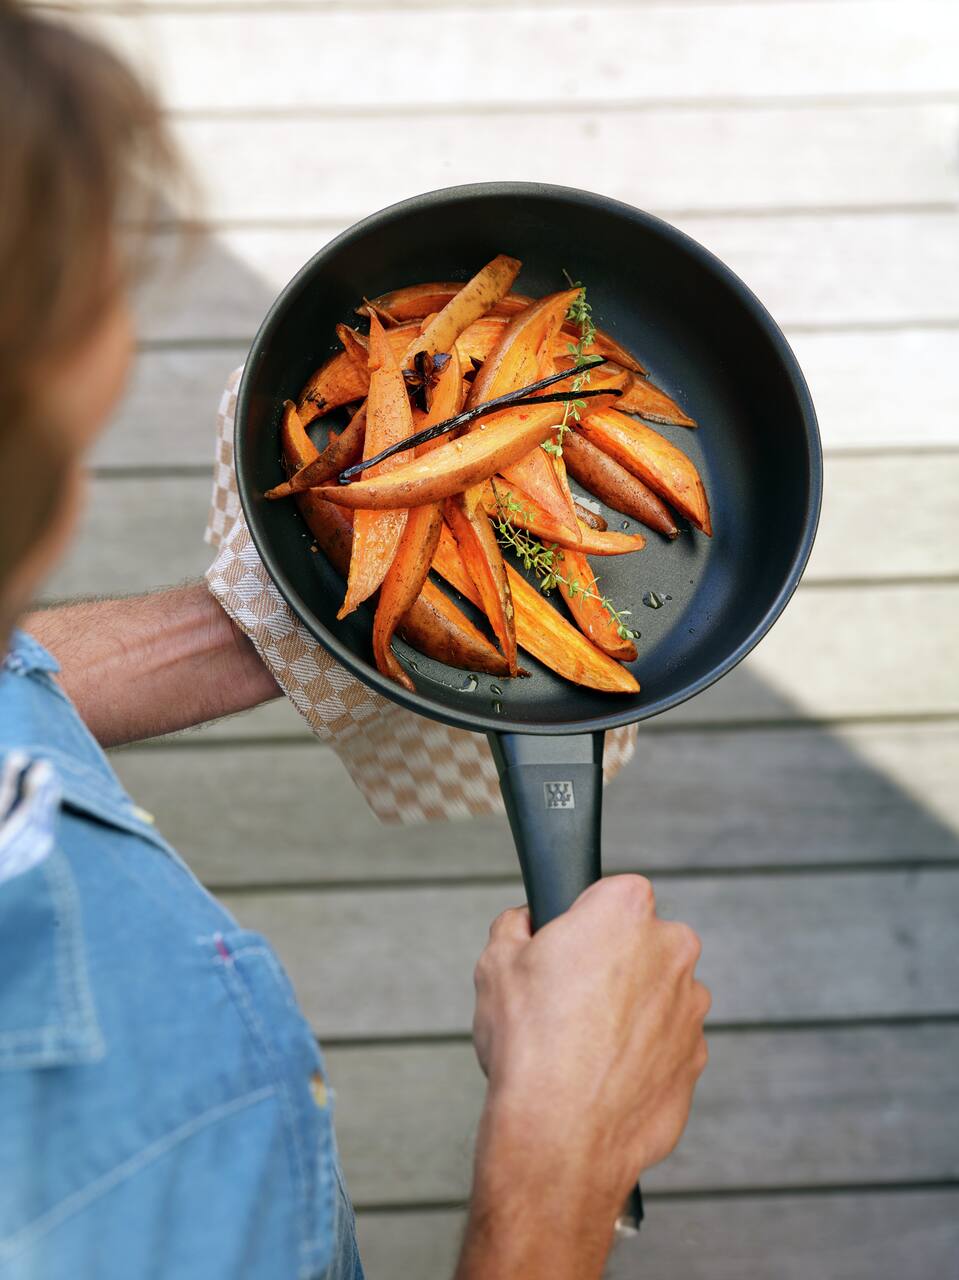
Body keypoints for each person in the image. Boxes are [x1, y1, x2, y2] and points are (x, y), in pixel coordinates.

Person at [0, 6, 710, 1278]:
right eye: (103, 281)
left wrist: (262, 630)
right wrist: (555, 1156)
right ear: (54, 384)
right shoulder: (110, 1159)